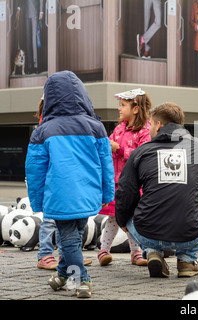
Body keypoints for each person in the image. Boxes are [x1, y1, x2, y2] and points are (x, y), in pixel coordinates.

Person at [25, 71, 115, 298]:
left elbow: (35, 171)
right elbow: (107, 165)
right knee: (75, 236)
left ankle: (81, 279)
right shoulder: (96, 128)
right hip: (88, 195)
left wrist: (37, 200)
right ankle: (63, 274)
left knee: (69, 239)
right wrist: (107, 192)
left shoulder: (43, 131)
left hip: (59, 196)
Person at [114, 102, 198, 278]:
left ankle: (152, 251)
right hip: (190, 234)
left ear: (158, 125)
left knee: (126, 202)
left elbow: (124, 194)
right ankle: (187, 259)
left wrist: (123, 222)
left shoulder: (141, 152)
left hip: (146, 233)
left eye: (150, 123)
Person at [32, 97, 93, 270]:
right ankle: (44, 254)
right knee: (50, 220)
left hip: (63, 183)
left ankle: (67, 256)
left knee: (66, 222)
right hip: (50, 183)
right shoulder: (47, 126)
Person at [97, 89, 152, 267]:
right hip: (116, 183)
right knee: (113, 217)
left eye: (122, 105)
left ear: (135, 109)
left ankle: (136, 252)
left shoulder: (145, 131)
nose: (119, 109)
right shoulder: (119, 129)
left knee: (132, 218)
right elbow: (108, 147)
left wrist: (118, 149)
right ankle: (103, 250)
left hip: (134, 185)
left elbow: (143, 154)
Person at [16, 0, 44, 74]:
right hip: (27, 14)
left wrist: (41, 11)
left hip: (35, 12)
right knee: (28, 41)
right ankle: (29, 66)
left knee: (34, 40)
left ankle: (36, 66)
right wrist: (19, 7)